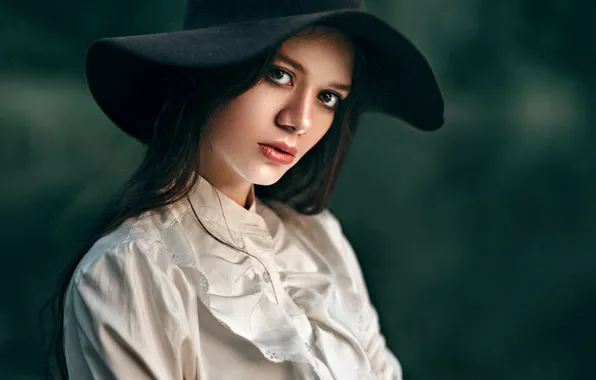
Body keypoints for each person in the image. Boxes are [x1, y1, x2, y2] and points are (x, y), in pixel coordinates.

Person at [40, 0, 444, 379]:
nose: (299, 120)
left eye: (327, 97)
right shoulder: (131, 270)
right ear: (210, 69)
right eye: (279, 74)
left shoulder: (320, 239)